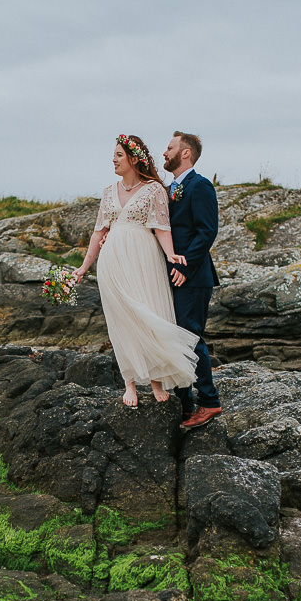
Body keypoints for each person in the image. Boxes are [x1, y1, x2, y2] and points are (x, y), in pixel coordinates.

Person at [72, 134, 198, 408]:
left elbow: (162, 227)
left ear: (132, 158)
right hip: (112, 261)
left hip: (144, 258)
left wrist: (170, 254)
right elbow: (98, 233)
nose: (113, 159)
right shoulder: (108, 192)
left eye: (118, 154)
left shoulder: (153, 189)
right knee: (122, 318)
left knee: (148, 312)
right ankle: (129, 383)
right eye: (114, 155)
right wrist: (84, 266)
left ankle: (156, 379)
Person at [162, 131, 222, 429]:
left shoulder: (200, 186)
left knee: (191, 338)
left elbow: (207, 231)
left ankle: (209, 402)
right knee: (174, 340)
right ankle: (185, 405)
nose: (165, 153)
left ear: (185, 153)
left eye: (170, 148)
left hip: (194, 277)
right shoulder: (168, 189)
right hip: (170, 276)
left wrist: (185, 269)